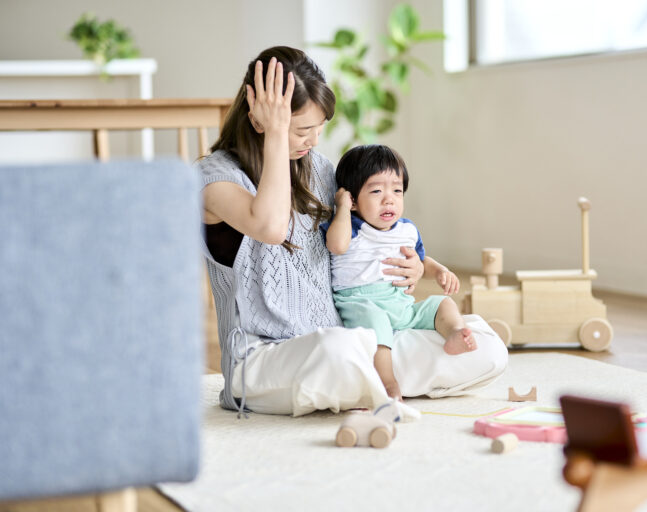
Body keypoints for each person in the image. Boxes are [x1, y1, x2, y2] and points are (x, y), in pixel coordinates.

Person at [197, 45, 507, 418]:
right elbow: (271, 227)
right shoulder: (213, 178)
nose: (313, 141)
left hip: (356, 338)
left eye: (319, 128)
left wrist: (415, 267)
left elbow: (371, 234)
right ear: (260, 119)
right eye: (301, 130)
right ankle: (368, 384)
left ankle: (370, 385)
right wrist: (276, 135)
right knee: (337, 352)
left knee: (485, 345)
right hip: (266, 360)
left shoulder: (319, 170)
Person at [322, 144, 477, 400]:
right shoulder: (350, 227)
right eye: (376, 191)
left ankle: (456, 334)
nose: (389, 199)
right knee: (377, 323)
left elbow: (420, 260)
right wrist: (342, 210)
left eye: (397, 190)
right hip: (362, 302)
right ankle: (387, 382)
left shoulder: (406, 230)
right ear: (352, 199)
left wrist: (438, 271)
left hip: (401, 304)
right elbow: (336, 245)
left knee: (443, 304)